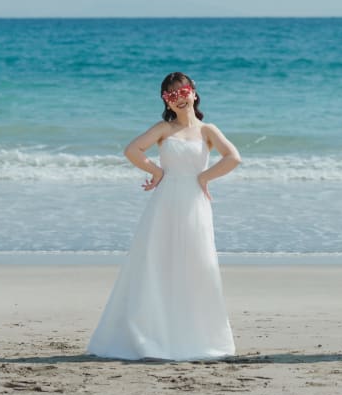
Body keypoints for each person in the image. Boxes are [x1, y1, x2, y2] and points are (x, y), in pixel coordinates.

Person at [87, 72, 240, 361]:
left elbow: (233, 157)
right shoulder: (163, 129)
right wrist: (156, 172)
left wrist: (204, 178)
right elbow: (132, 150)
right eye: (172, 95)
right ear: (166, 102)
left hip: (194, 203)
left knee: (196, 265)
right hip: (165, 203)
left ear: (194, 93)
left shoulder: (208, 130)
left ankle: (197, 337)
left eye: (183, 92)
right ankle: (149, 335)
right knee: (156, 264)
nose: (179, 98)